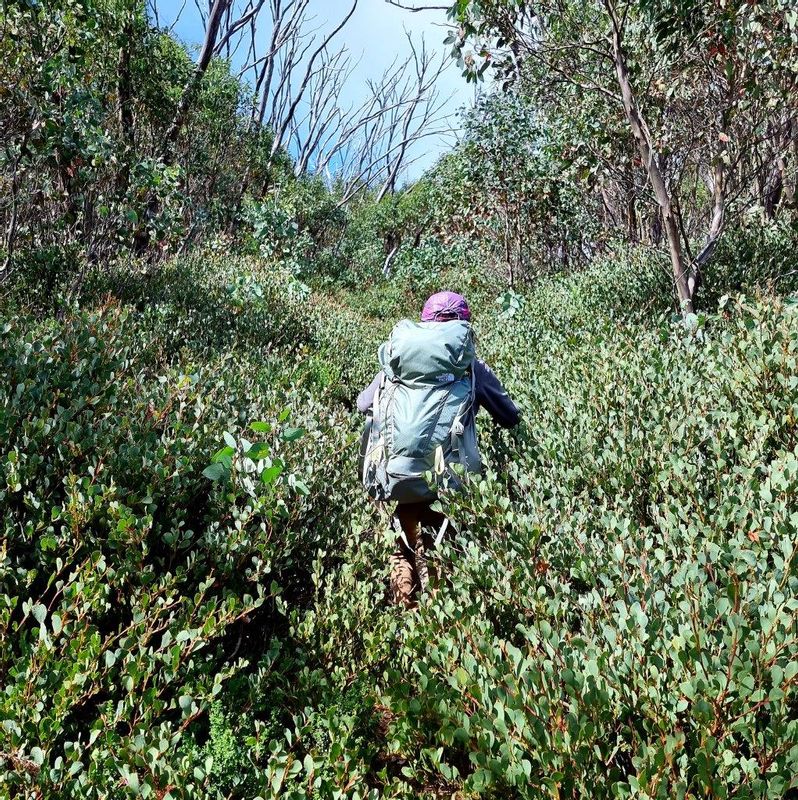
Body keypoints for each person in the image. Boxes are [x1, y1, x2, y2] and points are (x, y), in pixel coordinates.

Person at [357, 291, 520, 608]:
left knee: (403, 536)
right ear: (462, 326)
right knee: (440, 550)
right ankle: (437, 622)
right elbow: (509, 417)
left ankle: (404, 609)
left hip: (394, 475)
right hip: (447, 482)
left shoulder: (396, 364)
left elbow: (363, 404)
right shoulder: (472, 367)